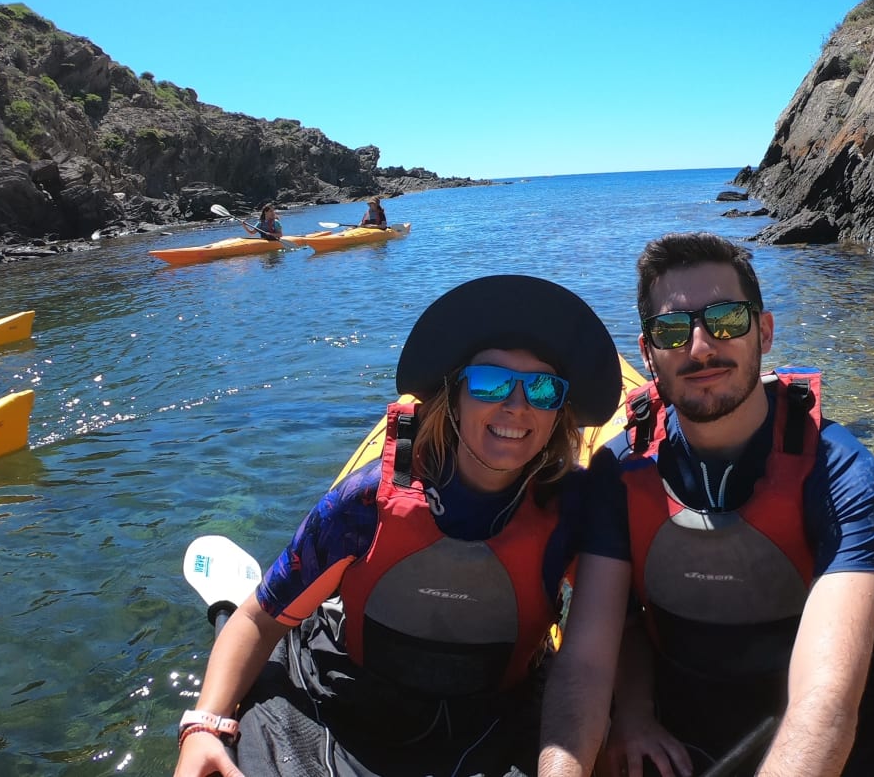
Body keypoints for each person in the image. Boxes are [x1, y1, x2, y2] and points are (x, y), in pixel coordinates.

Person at [175, 274, 622, 777]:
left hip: (491, 725)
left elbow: (601, 646)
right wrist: (203, 726)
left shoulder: (574, 512)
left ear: (559, 412)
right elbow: (261, 619)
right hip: (347, 710)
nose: (516, 405)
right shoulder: (364, 502)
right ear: (453, 396)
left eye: (542, 388)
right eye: (491, 382)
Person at [539, 232, 874, 777]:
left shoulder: (838, 469)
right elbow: (586, 660)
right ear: (648, 352)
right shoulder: (619, 473)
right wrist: (631, 717)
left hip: (802, 707)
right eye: (673, 330)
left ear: (765, 331)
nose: (701, 347)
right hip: (679, 698)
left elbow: (825, 700)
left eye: (726, 320)